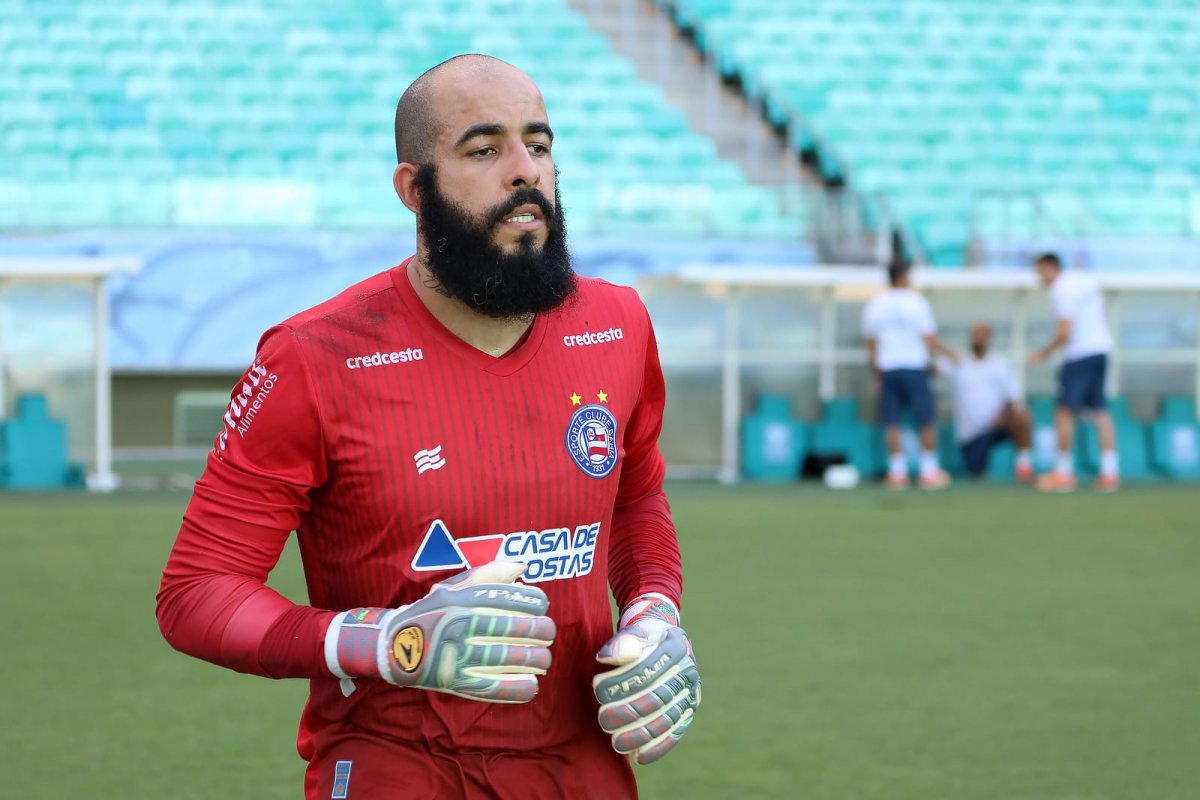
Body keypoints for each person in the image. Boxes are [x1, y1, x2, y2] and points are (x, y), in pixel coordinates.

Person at [156, 54, 700, 800]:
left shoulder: (618, 324)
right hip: (398, 765)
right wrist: (388, 643)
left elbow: (636, 501)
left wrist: (654, 612)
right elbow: (196, 592)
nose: (524, 172)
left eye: (538, 146)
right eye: (484, 150)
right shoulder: (312, 358)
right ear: (414, 189)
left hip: (582, 762)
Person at [1028, 252, 1119, 491]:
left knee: (1063, 411)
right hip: (1101, 350)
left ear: (1050, 268)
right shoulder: (1084, 281)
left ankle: (1063, 472)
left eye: (1039, 271)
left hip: (1079, 354)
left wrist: (1043, 352)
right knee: (1100, 410)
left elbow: (1065, 331)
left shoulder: (1061, 289)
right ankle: (1110, 472)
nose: (1038, 278)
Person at [862, 259, 955, 489]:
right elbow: (929, 339)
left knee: (891, 421)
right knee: (925, 419)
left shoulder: (876, 304)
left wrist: (876, 373)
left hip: (889, 368)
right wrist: (944, 356)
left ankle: (897, 472)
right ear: (904, 276)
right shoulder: (917, 302)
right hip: (914, 367)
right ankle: (929, 470)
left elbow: (871, 344)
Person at [939, 323, 1034, 481]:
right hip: (971, 434)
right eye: (976, 334)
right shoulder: (958, 362)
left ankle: (1024, 465)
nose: (979, 338)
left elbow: (1013, 397)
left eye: (983, 334)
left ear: (989, 338)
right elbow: (932, 368)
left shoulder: (1001, 365)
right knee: (975, 472)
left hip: (996, 426)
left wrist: (1001, 415)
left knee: (1021, 415)